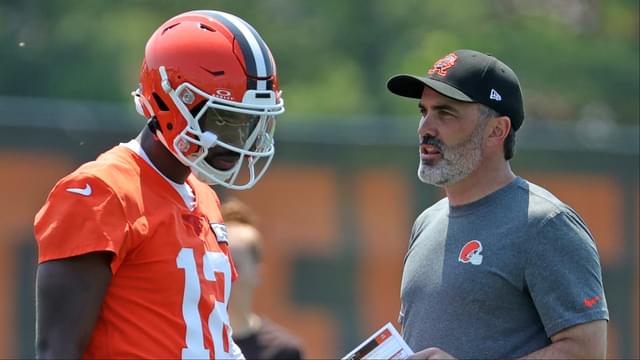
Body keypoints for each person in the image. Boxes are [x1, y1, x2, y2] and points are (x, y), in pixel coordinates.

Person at [33, 10, 284, 359]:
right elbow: (58, 349)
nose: (242, 140)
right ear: (171, 100)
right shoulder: (101, 190)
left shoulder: (204, 197)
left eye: (253, 122)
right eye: (228, 119)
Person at [386, 49, 609, 359]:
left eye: (445, 113)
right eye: (423, 111)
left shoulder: (546, 223)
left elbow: (586, 352)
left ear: (497, 131)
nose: (425, 128)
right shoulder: (427, 221)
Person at [221, 198, 304, 360]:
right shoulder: (193, 341)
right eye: (220, 264)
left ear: (258, 273)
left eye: (235, 265)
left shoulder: (283, 350)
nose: (225, 275)